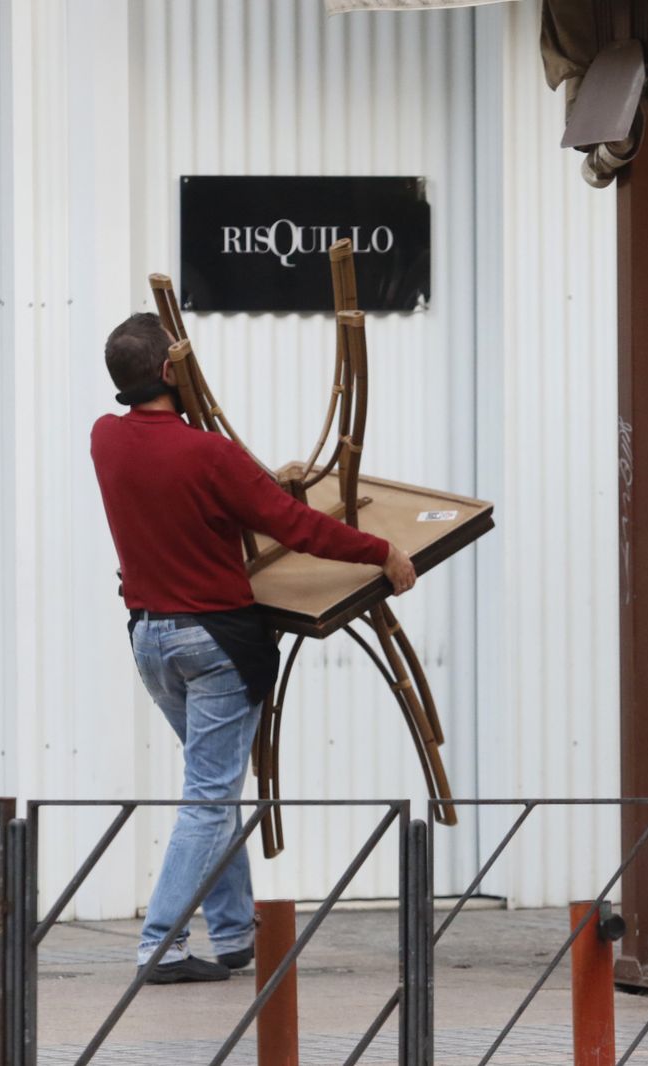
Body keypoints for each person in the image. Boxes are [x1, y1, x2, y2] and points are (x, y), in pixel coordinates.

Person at [90, 312, 417, 984]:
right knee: (210, 795)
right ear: (169, 371)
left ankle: (235, 932)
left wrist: (267, 475)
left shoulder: (105, 439)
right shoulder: (208, 454)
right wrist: (382, 550)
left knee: (214, 783)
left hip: (150, 639)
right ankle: (162, 944)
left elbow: (201, 488)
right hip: (216, 642)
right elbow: (293, 526)